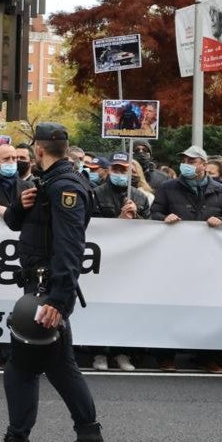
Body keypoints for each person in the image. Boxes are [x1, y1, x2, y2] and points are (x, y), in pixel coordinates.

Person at [0, 123, 104, 442]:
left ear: (40, 151)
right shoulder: (45, 183)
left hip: (46, 292)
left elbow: (70, 246)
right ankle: (90, 438)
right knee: (61, 366)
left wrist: (59, 301)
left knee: (21, 367)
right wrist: (19, 203)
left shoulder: (65, 188)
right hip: (40, 287)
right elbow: (19, 224)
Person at [149, 145, 222, 373]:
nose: (187, 163)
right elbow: (154, 213)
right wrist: (163, 217)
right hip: (175, 258)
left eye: (192, 160)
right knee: (170, 306)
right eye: (184, 159)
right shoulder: (168, 188)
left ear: (204, 165)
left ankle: (207, 357)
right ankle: (166, 357)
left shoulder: (220, 190)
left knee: (207, 308)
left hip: (208, 260)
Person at [84, 152, 149, 373]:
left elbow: (151, 229)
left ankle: (122, 352)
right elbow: (92, 225)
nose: (119, 173)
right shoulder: (95, 194)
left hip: (131, 261)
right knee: (101, 304)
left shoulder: (140, 197)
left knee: (126, 305)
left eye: (123, 169)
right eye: (116, 169)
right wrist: (119, 220)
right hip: (103, 259)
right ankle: (99, 351)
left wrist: (137, 217)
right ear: (109, 170)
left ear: (131, 171)